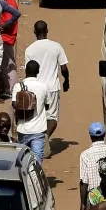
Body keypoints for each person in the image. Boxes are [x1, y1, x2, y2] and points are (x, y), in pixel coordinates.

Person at [24, 21, 68, 159]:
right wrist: (67, 81)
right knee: (52, 117)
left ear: (34, 32)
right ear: (47, 30)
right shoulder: (56, 46)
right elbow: (64, 68)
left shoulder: (29, 49)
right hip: (52, 88)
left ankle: (36, 141)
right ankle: (44, 139)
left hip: (36, 87)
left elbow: (28, 70)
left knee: (37, 115)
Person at [12, 60, 48, 162]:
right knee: (37, 159)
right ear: (38, 71)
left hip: (23, 128)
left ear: (26, 70)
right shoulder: (43, 87)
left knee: (21, 159)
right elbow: (47, 105)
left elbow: (14, 105)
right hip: (39, 129)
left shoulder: (18, 86)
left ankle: (23, 177)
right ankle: (35, 177)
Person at [0, 0, 20, 91]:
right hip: (7, 38)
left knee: (8, 65)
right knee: (7, 64)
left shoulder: (9, 4)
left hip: (7, 38)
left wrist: (0, 27)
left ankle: (11, 89)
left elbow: (8, 22)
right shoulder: (10, 2)